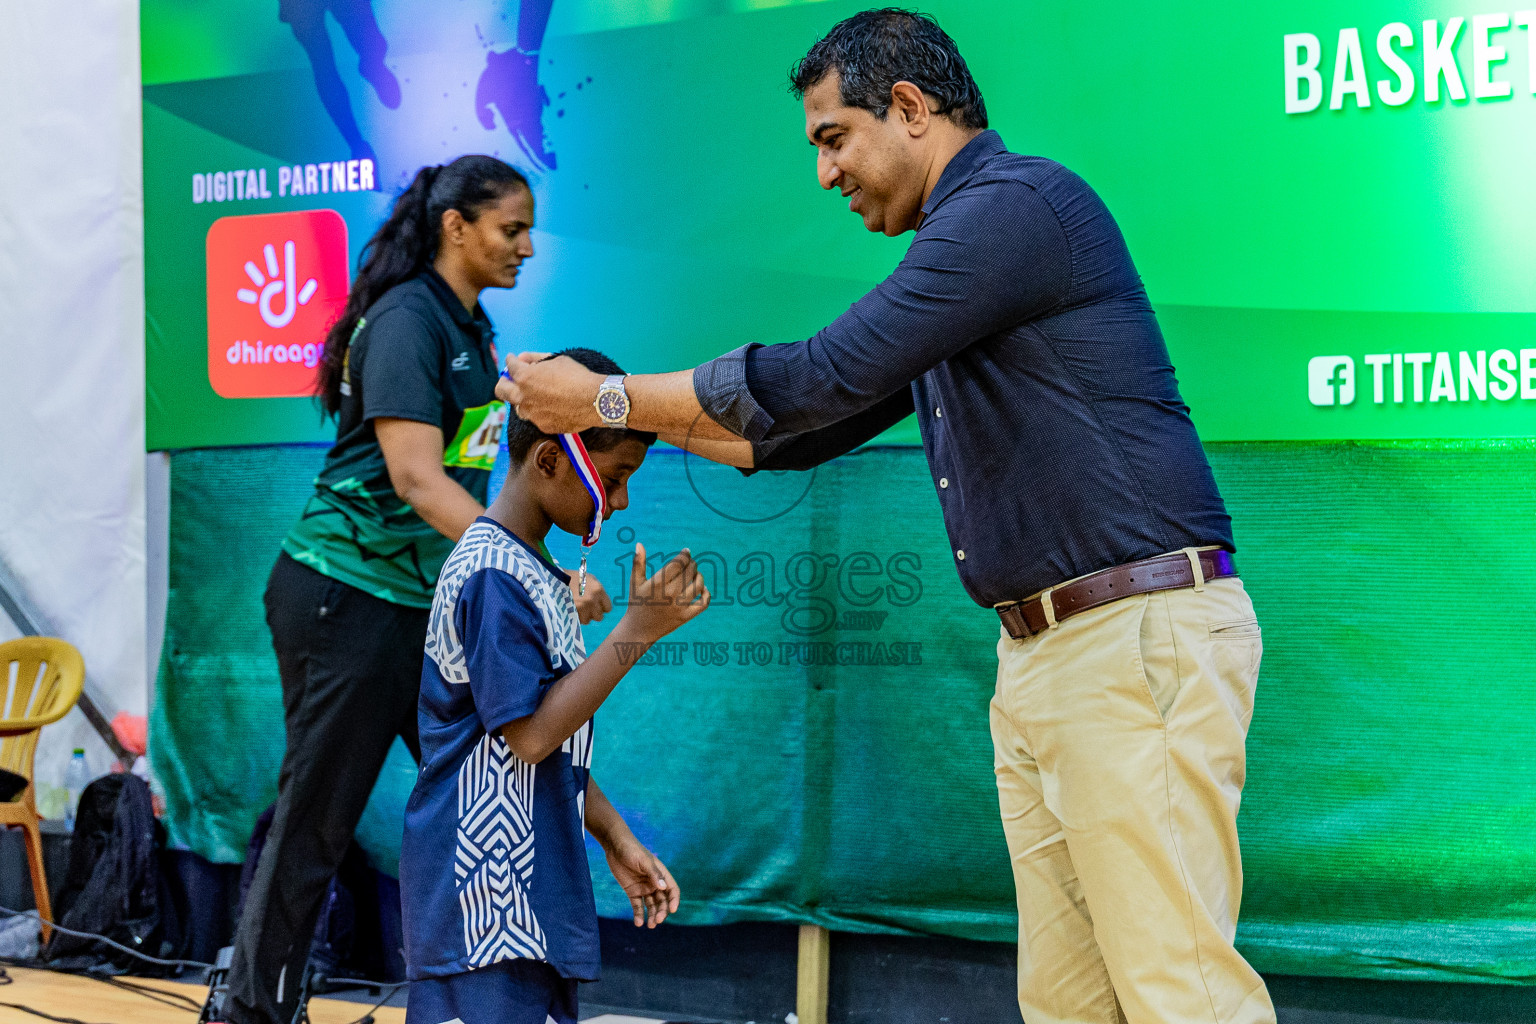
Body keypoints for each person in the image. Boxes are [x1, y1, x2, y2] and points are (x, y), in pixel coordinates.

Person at [496, 10, 1275, 1024]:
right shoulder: (965, 264)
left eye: (832, 138)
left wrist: (598, 402)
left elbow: (817, 377)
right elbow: (788, 434)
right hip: (1048, 655)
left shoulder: (1015, 209)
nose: (824, 174)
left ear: (910, 107)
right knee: (1073, 1004)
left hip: (1127, 640)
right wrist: (619, 420)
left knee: (1183, 995)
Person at [226, 155, 609, 1024]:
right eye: (512, 229)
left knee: (493, 781)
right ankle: (249, 1011)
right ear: (457, 227)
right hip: (344, 598)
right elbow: (414, 478)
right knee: (316, 823)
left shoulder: (473, 330)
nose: (527, 246)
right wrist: (538, 572)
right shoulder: (407, 321)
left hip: (415, 606)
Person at [400, 347, 706, 1024]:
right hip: (481, 900)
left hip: (528, 893)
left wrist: (614, 834)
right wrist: (636, 632)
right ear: (548, 460)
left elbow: (544, 741)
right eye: (616, 476)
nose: (620, 500)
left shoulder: (533, 571)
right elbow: (532, 736)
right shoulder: (491, 574)